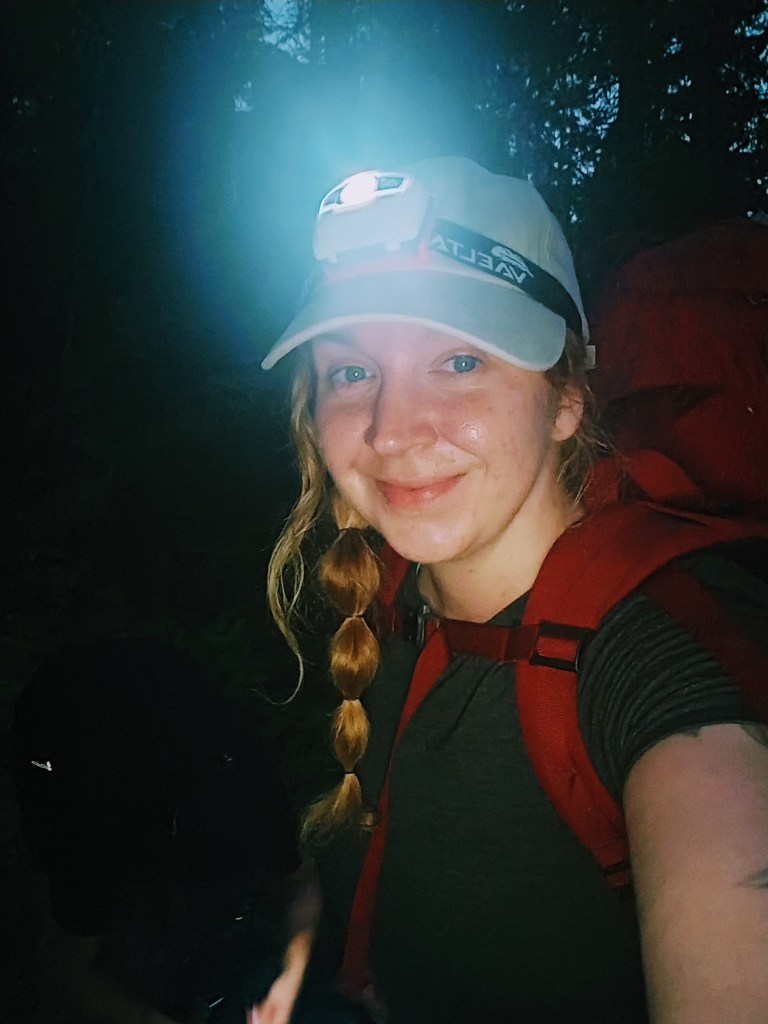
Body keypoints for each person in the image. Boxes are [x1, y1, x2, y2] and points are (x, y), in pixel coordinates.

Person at [254, 157, 768, 1024]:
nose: (392, 430)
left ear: (566, 397)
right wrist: (305, 953)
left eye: (458, 360)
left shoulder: (660, 661)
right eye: (352, 372)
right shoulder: (391, 600)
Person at [11, 637, 303, 1024]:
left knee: (199, 921)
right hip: (55, 720)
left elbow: (303, 879)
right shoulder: (93, 826)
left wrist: (289, 978)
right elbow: (64, 960)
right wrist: (149, 1019)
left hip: (162, 684)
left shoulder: (252, 779)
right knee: (75, 922)